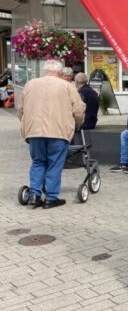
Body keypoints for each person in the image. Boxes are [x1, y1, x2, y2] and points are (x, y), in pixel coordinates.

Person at [17, 59, 85, 208]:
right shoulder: (67, 86)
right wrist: (78, 121)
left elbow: (20, 109)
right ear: (60, 72)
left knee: (38, 161)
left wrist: (26, 123)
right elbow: (78, 110)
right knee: (55, 163)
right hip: (58, 131)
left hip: (34, 131)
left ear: (44, 71)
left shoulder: (30, 85)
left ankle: (34, 195)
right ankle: (51, 198)